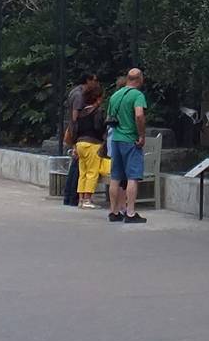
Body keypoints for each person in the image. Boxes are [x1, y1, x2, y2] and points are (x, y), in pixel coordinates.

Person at [105, 67, 148, 224]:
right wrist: (141, 135)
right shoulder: (137, 95)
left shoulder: (115, 95)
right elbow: (139, 115)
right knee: (132, 177)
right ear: (139, 79)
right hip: (130, 139)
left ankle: (114, 211)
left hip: (115, 139)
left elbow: (110, 116)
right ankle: (130, 213)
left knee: (116, 177)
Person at [61, 72, 98, 206]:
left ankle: (70, 197)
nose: (95, 83)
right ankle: (71, 197)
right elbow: (76, 117)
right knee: (78, 167)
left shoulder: (74, 92)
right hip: (78, 134)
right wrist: (75, 139)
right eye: (94, 80)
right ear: (88, 80)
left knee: (77, 166)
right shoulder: (79, 95)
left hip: (75, 132)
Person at [70, 78, 106, 208]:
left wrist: (74, 144)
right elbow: (98, 128)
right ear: (97, 98)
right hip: (93, 144)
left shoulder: (81, 112)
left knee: (83, 172)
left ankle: (80, 199)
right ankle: (88, 199)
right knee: (92, 172)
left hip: (80, 144)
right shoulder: (97, 112)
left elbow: (75, 128)